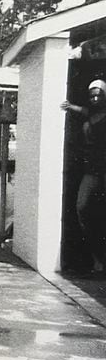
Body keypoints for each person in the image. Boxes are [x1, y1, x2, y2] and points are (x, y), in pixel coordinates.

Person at [62, 79, 106, 272]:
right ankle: (97, 259)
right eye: (92, 96)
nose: (95, 99)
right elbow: (87, 112)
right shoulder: (91, 115)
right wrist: (70, 107)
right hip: (92, 170)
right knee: (82, 208)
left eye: (99, 95)